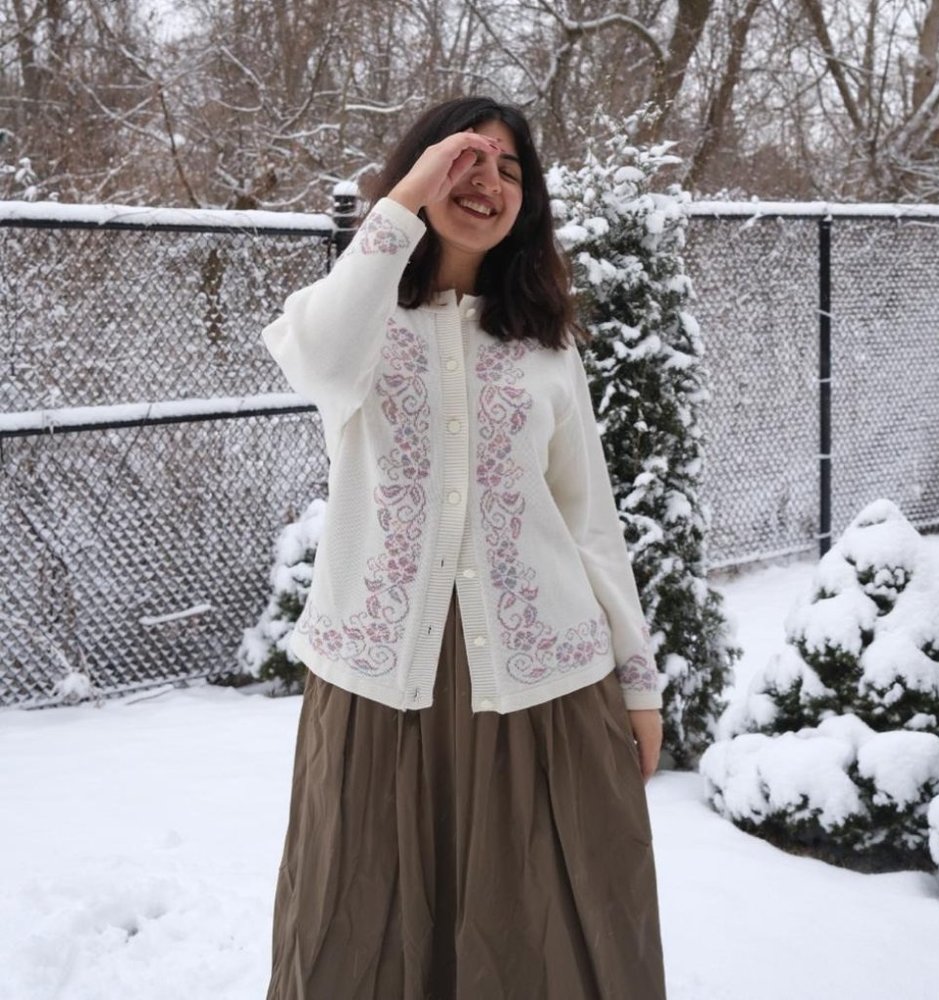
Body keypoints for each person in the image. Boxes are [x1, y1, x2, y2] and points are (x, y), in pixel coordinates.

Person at [262, 96, 668, 1000]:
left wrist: (638, 682)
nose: (486, 185)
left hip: (541, 694)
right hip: (380, 694)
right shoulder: (355, 321)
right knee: (364, 934)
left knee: (542, 944)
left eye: (509, 171)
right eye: (466, 163)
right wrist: (405, 197)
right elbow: (320, 362)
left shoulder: (545, 347)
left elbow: (588, 518)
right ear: (422, 172)